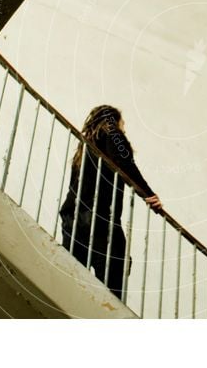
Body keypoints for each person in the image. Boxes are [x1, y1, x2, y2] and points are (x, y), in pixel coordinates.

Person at [59, 105, 161, 298]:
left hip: (72, 219)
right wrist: (148, 194)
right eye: (123, 124)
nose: (124, 129)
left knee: (71, 282)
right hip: (98, 219)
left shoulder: (83, 148)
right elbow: (124, 163)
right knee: (114, 273)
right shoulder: (111, 132)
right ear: (113, 120)